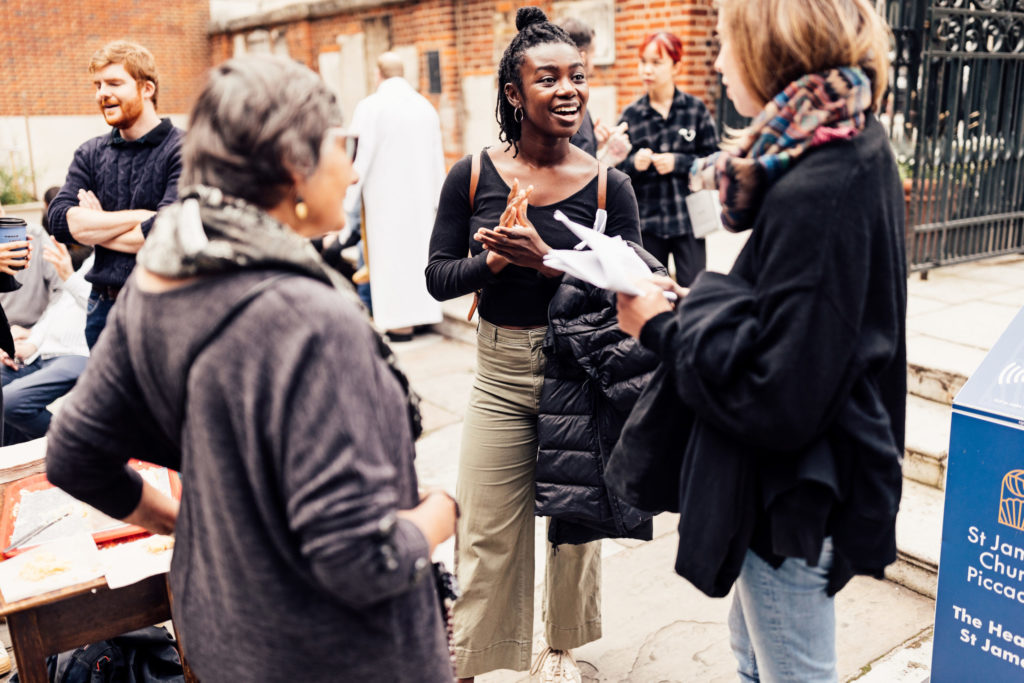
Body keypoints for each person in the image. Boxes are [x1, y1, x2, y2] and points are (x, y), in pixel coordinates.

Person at [45, 55, 457, 682]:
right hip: (335, 657)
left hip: (224, 636)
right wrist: (444, 512)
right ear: (295, 164)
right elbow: (359, 560)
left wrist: (188, 524)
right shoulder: (311, 320)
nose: (352, 172)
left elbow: (74, 453)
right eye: (342, 146)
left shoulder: (158, 281)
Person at [613, 1, 904, 681]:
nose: (717, 63)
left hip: (789, 490)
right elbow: (799, 317)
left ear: (769, 49)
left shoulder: (822, 182)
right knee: (753, 660)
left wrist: (660, 327)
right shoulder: (848, 141)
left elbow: (779, 393)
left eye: (724, 44)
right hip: (799, 475)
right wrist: (692, 304)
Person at [426, 7, 646, 681]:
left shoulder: (610, 185)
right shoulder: (471, 174)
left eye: (576, 76)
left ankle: (562, 648)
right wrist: (493, 263)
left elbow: (637, 290)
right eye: (547, 78)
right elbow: (437, 277)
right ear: (514, 94)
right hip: (498, 371)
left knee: (574, 528)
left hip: (577, 371)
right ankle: (470, 660)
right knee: (486, 529)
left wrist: (549, 262)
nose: (568, 89)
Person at [48, 41, 182, 348]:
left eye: (114, 83)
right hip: (102, 308)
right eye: (97, 85)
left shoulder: (183, 149)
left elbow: (168, 232)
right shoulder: (90, 153)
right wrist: (141, 218)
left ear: (147, 89)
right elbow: (58, 221)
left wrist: (95, 228)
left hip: (163, 307)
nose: (102, 93)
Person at [345, 51, 444, 341]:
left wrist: (346, 201)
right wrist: (439, 203)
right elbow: (437, 160)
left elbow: (357, 159)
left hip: (385, 201)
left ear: (378, 74)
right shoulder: (425, 108)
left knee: (391, 262)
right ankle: (422, 318)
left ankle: (399, 325)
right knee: (417, 258)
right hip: (420, 200)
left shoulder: (370, 107)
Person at [616, 31, 718, 286]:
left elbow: (714, 160)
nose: (647, 70)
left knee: (694, 290)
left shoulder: (695, 110)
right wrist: (633, 163)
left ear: (676, 67)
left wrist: (678, 162)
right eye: (643, 61)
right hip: (647, 224)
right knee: (652, 292)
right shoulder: (631, 115)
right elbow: (615, 168)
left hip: (688, 220)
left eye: (656, 62)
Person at [1, 238, 91, 444]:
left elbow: (108, 311)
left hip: (79, 353)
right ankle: (13, 457)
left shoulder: (128, 262)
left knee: (12, 401)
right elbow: (57, 310)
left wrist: (70, 278)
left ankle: (79, 447)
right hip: (42, 353)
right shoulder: (92, 260)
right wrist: (29, 343)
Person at [561, 17, 631, 166]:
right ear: (582, 57)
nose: (593, 64)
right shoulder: (573, 104)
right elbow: (581, 173)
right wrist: (609, 157)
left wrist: (594, 142)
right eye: (593, 55)